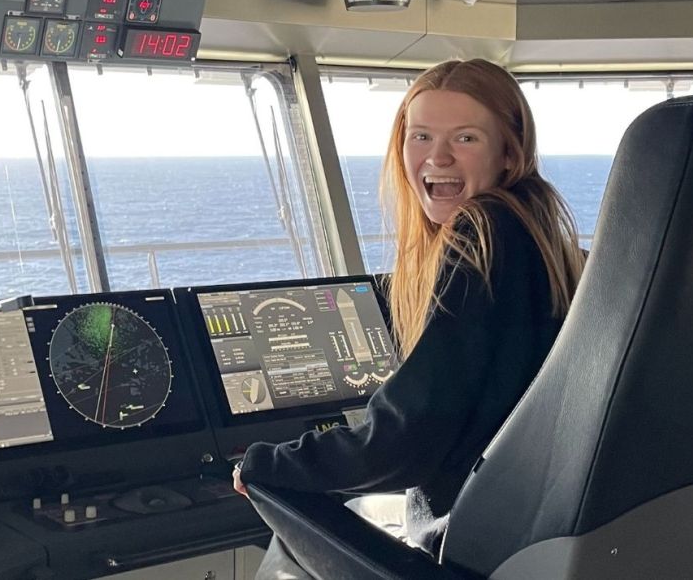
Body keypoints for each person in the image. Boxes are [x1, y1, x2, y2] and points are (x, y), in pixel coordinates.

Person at [232, 58, 587, 576]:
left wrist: (266, 462)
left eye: (465, 138)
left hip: (473, 544)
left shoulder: (481, 231)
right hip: (527, 526)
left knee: (285, 516)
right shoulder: (540, 237)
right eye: (420, 136)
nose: (437, 156)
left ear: (509, 154)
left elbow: (406, 439)